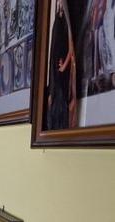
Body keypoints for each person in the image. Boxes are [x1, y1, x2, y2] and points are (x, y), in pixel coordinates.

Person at [47, 0, 77, 130]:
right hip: (57, 73)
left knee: (62, 101)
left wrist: (63, 67)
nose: (59, 4)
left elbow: (71, 50)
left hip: (62, 74)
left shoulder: (66, 25)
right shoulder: (58, 23)